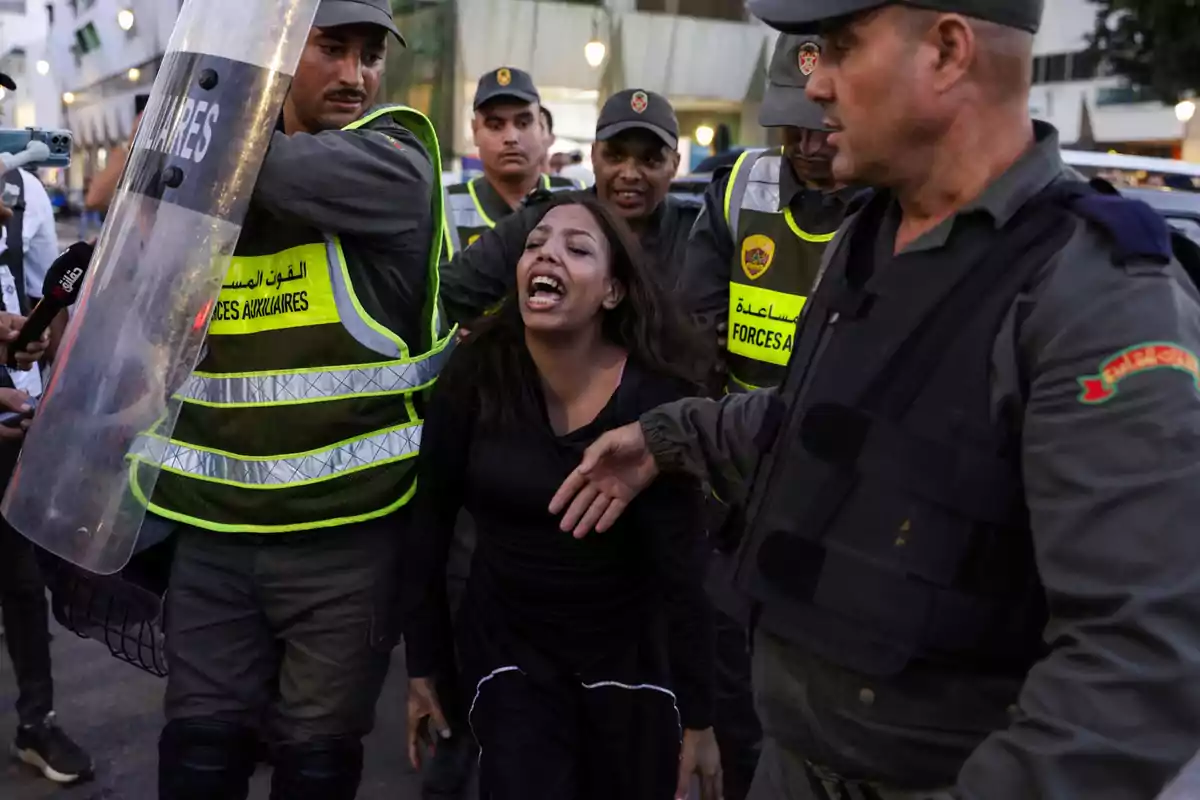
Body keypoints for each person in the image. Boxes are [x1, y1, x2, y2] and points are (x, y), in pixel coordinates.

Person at [547, 1, 1200, 799]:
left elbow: (1140, 659)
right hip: (795, 762)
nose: (813, 85)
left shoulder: (1096, 292)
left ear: (948, 52)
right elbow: (821, 429)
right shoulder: (871, 231)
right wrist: (668, 437)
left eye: (843, 48)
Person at [133, 2, 453, 798]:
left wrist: (188, 110)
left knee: (315, 760)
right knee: (199, 753)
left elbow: (235, 163)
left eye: (370, 55)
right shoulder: (212, 172)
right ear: (279, 56)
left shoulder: (392, 161)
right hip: (212, 534)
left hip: (343, 543)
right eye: (332, 49)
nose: (356, 75)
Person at [403, 191, 721, 800]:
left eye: (577, 248)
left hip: (629, 663)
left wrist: (701, 719)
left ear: (612, 291)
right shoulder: (475, 375)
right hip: (509, 651)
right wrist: (424, 666)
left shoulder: (658, 401)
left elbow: (686, 573)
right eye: (534, 245)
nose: (546, 254)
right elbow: (429, 524)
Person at [677, 33, 859, 800]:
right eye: (793, 126)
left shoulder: (890, 204)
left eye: (826, 126)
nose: (811, 145)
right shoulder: (739, 187)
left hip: (840, 509)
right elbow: (694, 322)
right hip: (739, 490)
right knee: (739, 696)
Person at [441, 88, 701, 325]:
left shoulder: (699, 234)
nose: (630, 173)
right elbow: (448, 294)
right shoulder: (543, 222)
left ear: (675, 164)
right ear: (593, 155)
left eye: (650, 159)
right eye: (615, 156)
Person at [0, 136, 91, 785]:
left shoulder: (17, 189)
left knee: (22, 581)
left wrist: (17, 334)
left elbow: (33, 289)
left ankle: (36, 723)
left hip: (8, 426)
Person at [445, 68, 579, 256]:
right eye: (495, 126)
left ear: (541, 126)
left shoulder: (576, 196)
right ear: (475, 131)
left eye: (523, 123)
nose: (511, 137)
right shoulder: (446, 209)